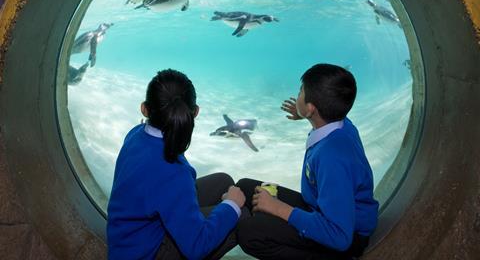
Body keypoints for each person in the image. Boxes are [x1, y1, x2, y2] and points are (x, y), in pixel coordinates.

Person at [236, 63, 379, 260]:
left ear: (312, 108)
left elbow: (339, 235)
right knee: (245, 187)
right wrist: (304, 115)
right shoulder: (342, 124)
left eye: (301, 91)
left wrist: (278, 209)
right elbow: (327, 114)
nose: (298, 94)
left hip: (346, 236)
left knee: (249, 232)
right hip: (321, 208)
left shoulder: (332, 158)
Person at [107, 69, 246, 260]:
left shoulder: (135, 134)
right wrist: (232, 206)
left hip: (127, 240)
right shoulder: (174, 172)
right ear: (195, 112)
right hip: (147, 253)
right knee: (242, 216)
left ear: (144, 109)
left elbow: (163, 181)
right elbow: (197, 247)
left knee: (224, 181)